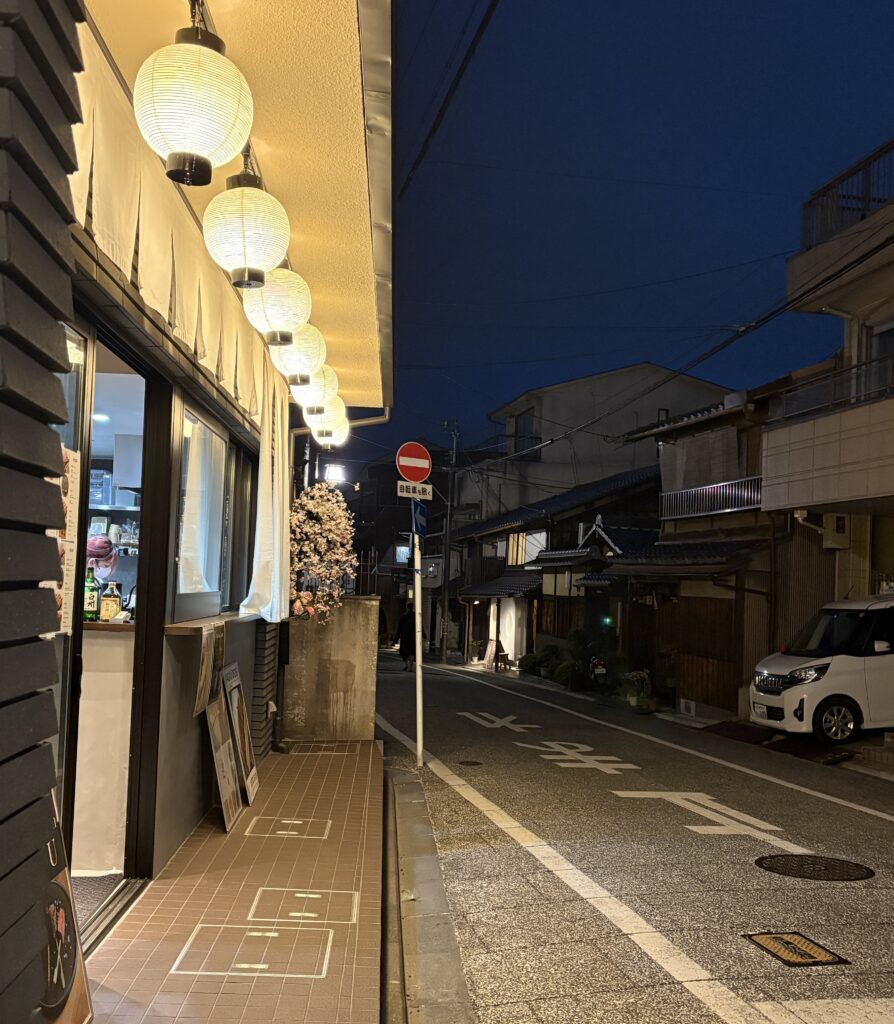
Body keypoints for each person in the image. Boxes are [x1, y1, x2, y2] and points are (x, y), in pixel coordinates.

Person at [397, 606, 416, 671]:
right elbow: (420, 626)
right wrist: (423, 634)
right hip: (413, 637)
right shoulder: (415, 616)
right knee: (412, 652)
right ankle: (410, 667)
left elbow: (399, 627)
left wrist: (396, 637)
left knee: (405, 653)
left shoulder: (403, 616)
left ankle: (406, 665)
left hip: (405, 637)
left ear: (407, 608)